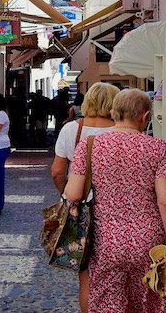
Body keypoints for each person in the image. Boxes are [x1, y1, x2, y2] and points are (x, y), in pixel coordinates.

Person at [65, 89, 166, 313]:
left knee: (107, 302)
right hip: (149, 241)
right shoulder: (158, 148)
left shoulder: (88, 147)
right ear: (145, 117)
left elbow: (73, 195)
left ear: (113, 113)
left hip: (105, 241)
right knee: (150, 299)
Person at [51, 83, 119, 313]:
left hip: (82, 209)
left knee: (86, 275)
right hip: (117, 209)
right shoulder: (121, 131)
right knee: (118, 275)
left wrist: (67, 195)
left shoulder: (72, 130)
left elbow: (58, 171)